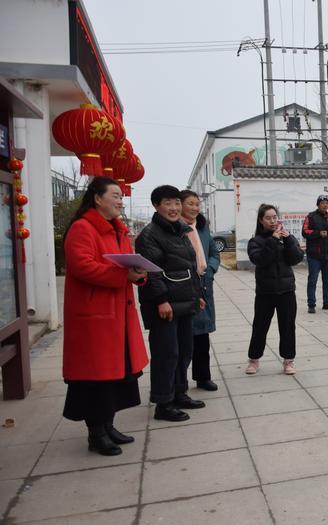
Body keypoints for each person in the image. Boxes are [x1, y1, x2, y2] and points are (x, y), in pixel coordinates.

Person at [62, 177, 148, 456]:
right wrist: (123, 275)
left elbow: (127, 264)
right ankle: (96, 433)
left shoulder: (118, 230)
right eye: (116, 196)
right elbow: (82, 266)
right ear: (98, 198)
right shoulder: (82, 228)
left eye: (121, 196)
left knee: (116, 375)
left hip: (119, 315)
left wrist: (138, 273)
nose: (121, 201)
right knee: (95, 379)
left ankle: (108, 426)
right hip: (95, 317)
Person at [136, 185, 205, 422]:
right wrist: (161, 300)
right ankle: (163, 403)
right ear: (157, 206)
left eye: (177, 203)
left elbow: (190, 267)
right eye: (168, 203)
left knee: (184, 350)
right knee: (166, 354)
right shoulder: (149, 235)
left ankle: (179, 393)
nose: (174, 208)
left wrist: (197, 295)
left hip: (185, 301)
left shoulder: (180, 230)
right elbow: (151, 272)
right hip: (164, 306)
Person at [246, 204, 304, 375]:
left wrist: (288, 240)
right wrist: (273, 240)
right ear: (261, 220)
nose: (272, 221)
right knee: (260, 326)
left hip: (286, 290)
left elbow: (296, 258)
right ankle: (254, 359)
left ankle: (288, 360)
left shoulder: (286, 237)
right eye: (268, 218)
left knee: (287, 327)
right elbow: (260, 260)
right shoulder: (255, 241)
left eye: (274, 217)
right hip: (265, 292)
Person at [180, 190, 220, 391]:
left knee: (202, 335)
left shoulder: (202, 228)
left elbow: (214, 253)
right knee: (183, 337)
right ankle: (179, 382)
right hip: (184, 287)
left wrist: (210, 270)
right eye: (190, 203)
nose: (195, 208)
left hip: (204, 285)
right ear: (179, 205)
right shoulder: (176, 229)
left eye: (197, 204)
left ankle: (203, 377)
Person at [302, 195, 328, 313]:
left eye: (326, 203)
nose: (325, 205)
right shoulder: (311, 217)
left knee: (327, 281)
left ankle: (327, 303)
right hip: (314, 255)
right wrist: (318, 233)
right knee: (312, 280)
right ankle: (311, 304)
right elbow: (304, 232)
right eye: (322, 203)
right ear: (318, 205)